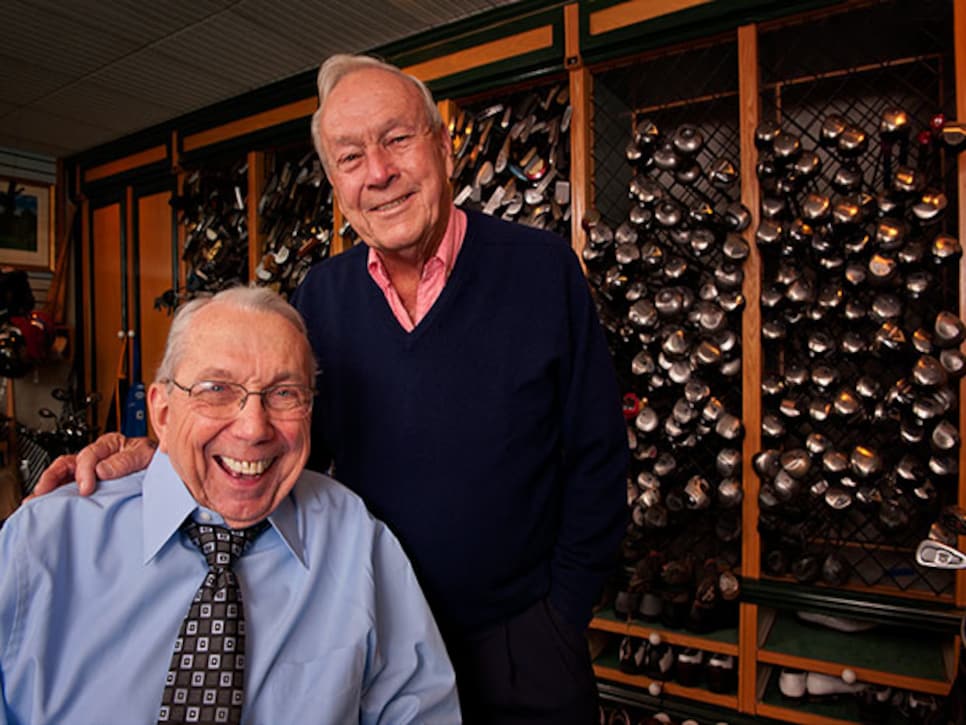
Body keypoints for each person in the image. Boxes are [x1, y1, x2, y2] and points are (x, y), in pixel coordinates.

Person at [35, 53, 628, 724]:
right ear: (336, 184)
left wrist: (560, 616)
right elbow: (273, 440)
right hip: (368, 630)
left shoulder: (541, 268)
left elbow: (598, 456)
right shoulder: (322, 293)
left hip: (520, 644)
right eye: (351, 157)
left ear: (442, 144)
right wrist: (161, 452)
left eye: (397, 139)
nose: (378, 172)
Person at [2, 285, 460, 724]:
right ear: (161, 412)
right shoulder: (44, 539)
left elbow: (420, 711)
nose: (253, 428)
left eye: (284, 393)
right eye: (216, 389)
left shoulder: (355, 537)